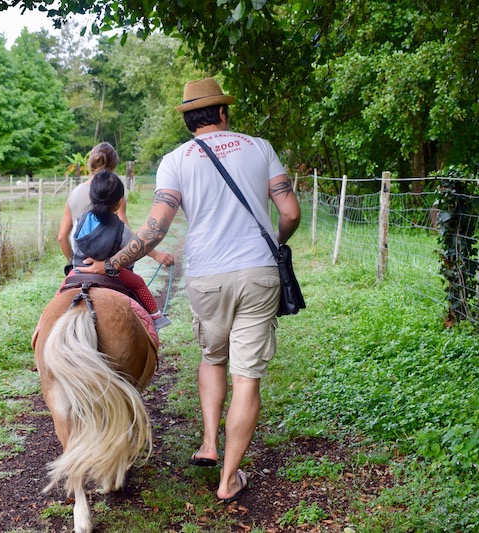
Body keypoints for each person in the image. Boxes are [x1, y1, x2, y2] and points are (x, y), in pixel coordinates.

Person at [80, 77, 301, 503]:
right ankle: (228, 480)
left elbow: (156, 227)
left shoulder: (176, 159)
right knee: (247, 377)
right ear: (223, 112)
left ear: (188, 121)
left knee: (212, 356)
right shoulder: (260, 148)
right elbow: (289, 211)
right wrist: (275, 240)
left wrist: (113, 263)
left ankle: (209, 443)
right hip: (258, 272)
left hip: (206, 276)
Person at [70, 169, 171, 329]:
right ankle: (156, 316)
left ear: (91, 196)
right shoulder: (121, 228)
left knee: (63, 289)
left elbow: (73, 244)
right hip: (112, 272)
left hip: (80, 270)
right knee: (138, 283)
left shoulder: (79, 222)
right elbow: (128, 257)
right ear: (119, 202)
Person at [57, 142, 172, 272]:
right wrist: (155, 254)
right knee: (137, 284)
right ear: (113, 166)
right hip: (109, 268)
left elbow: (62, 237)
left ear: (91, 163)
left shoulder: (74, 194)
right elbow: (126, 234)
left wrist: (77, 264)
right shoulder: (114, 194)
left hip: (80, 268)